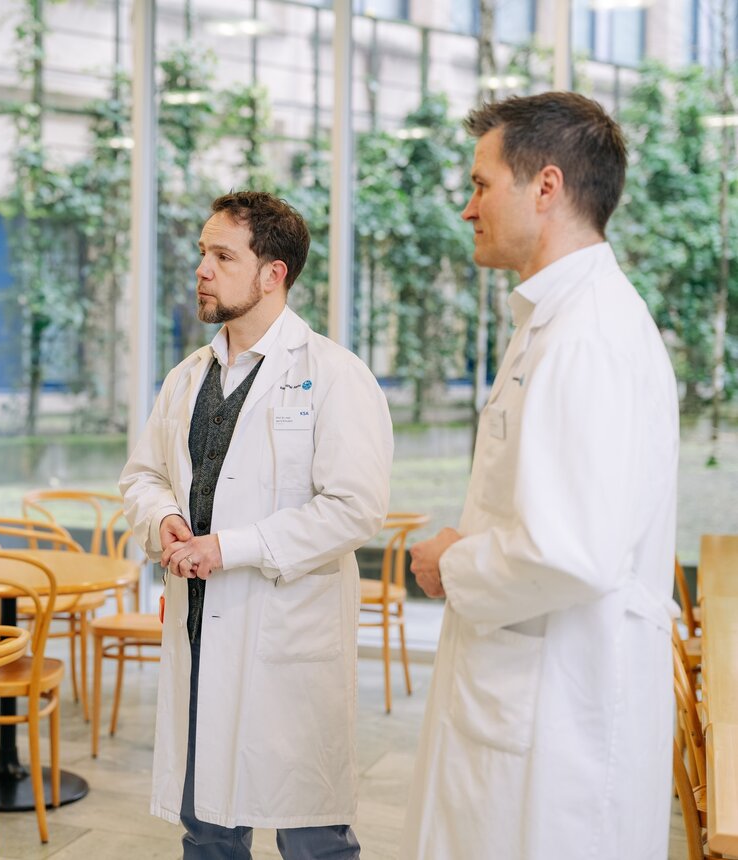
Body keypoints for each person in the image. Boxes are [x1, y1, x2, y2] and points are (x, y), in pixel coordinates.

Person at [400, 92, 679, 860]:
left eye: (481, 184)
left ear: (546, 187)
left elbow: (572, 551)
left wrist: (449, 559)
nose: (467, 208)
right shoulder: (557, 322)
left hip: (561, 726)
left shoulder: (587, 337)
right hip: (526, 698)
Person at [119, 191, 393, 860]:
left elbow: (355, 507)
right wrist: (165, 521)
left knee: (313, 838)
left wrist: (231, 549)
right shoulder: (188, 377)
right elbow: (142, 476)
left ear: (273, 273)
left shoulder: (333, 375)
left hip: (285, 641)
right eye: (201, 255)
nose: (202, 270)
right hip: (199, 632)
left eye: (221, 256)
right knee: (208, 831)